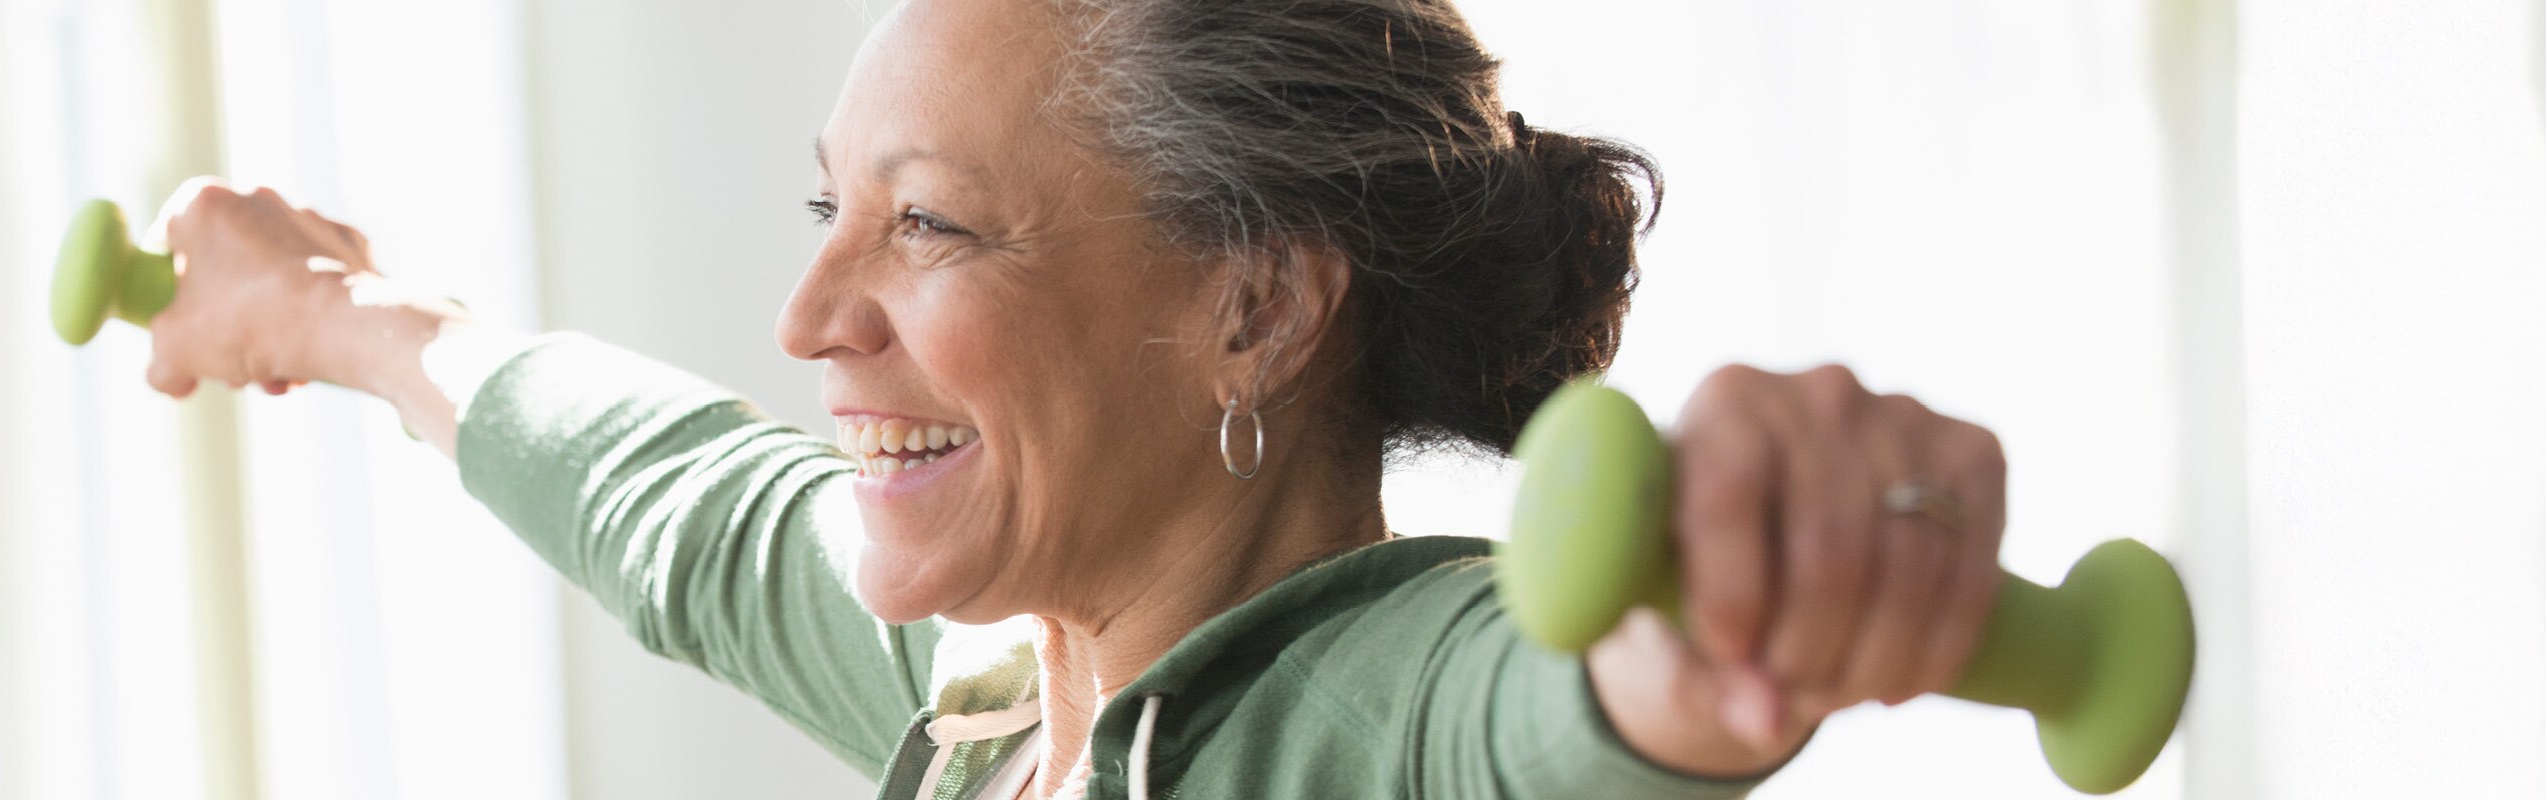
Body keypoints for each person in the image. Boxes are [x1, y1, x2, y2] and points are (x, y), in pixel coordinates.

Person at [135, 0, 2006, 796]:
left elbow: (1531, 717)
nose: (807, 316)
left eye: (927, 225)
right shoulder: (995, 700)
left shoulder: (1368, 709)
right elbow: (675, 507)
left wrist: (1717, 619)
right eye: (826, 211)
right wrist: (336, 316)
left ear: (1254, 308)